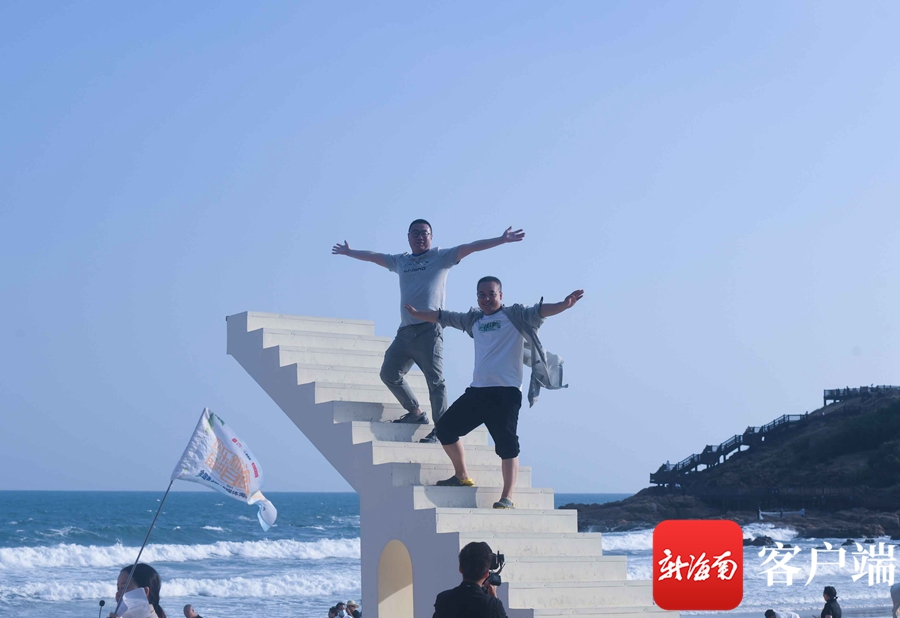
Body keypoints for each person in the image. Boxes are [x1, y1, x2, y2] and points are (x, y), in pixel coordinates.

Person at [333, 220, 525, 443]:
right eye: (415, 233)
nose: (420, 237)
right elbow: (374, 256)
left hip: (430, 331)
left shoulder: (441, 257)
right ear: (408, 237)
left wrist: (501, 239)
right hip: (405, 331)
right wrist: (350, 252)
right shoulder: (401, 261)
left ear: (431, 237)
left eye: (424, 233)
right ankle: (415, 413)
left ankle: (441, 429)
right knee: (389, 374)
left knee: (435, 382)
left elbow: (471, 247)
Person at [406, 276, 582, 508]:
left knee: (507, 446)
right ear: (477, 297)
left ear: (501, 295)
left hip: (506, 393)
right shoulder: (474, 320)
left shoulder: (516, 316)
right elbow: (444, 316)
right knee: (445, 429)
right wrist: (418, 314)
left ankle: (507, 497)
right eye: (482, 294)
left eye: (491, 294)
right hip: (478, 391)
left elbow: (540, 311)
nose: (486, 298)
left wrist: (563, 304)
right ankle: (461, 476)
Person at [433, 541, 507, 618]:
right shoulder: (493, 605)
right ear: (486, 574)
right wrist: (493, 598)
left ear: (460, 569)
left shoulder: (443, 599)